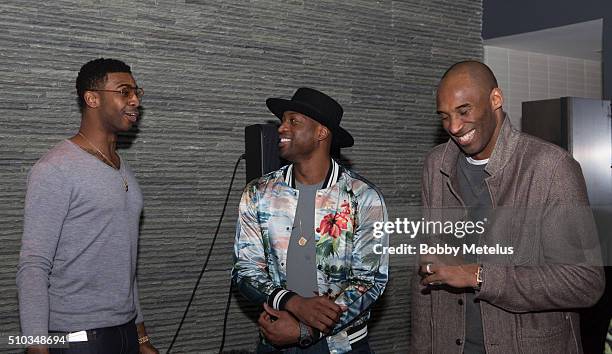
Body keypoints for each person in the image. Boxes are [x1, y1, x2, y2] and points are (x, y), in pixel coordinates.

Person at [410, 60, 605, 353]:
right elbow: (426, 277)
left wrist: (478, 275)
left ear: (495, 100)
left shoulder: (550, 168)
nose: (453, 126)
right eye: (444, 116)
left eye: (464, 111)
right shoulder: (436, 164)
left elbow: (584, 282)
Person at [16, 58, 158, 354]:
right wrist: (37, 347)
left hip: (125, 331)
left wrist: (141, 337)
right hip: (74, 337)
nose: (135, 100)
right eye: (124, 91)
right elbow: (33, 264)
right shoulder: (54, 169)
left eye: (136, 92)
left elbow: (124, 263)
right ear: (92, 98)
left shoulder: (123, 169)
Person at [233, 87, 389, 353]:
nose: (281, 128)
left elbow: (370, 280)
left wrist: (308, 329)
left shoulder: (363, 197)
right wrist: (292, 302)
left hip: (340, 345)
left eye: (293, 121)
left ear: (321, 132)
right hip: (275, 339)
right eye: (282, 121)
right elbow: (245, 269)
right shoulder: (258, 193)